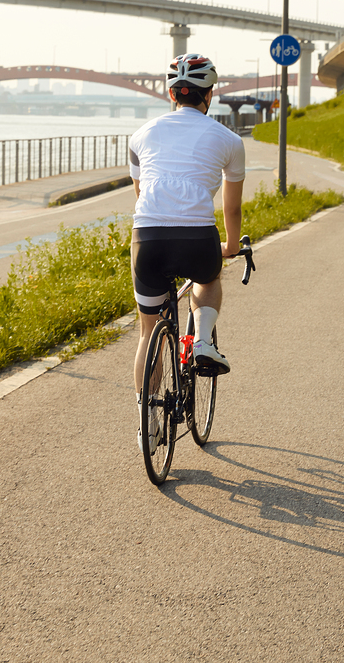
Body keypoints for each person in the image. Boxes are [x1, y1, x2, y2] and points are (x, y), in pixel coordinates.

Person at [129, 53, 246, 447]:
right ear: (209, 94)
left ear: (170, 93)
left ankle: (147, 421)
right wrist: (230, 244)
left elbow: (141, 193)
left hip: (147, 237)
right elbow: (231, 206)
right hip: (197, 237)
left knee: (148, 331)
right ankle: (203, 341)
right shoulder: (229, 140)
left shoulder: (140, 135)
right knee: (207, 279)